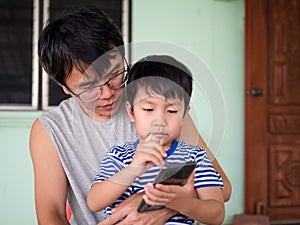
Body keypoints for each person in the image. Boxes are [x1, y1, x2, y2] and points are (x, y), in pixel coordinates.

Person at [29, 7, 231, 225]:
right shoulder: (51, 129)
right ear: (64, 87)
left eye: (115, 75)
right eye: (89, 87)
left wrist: (154, 205)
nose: (107, 94)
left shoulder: (161, 108)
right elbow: (52, 213)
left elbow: (223, 190)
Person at [87, 55, 225, 225]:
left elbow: (217, 214)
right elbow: (94, 202)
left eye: (172, 111)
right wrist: (133, 170)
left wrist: (185, 204)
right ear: (131, 112)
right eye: (148, 109)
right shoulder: (119, 156)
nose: (159, 120)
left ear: (184, 115)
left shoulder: (194, 157)